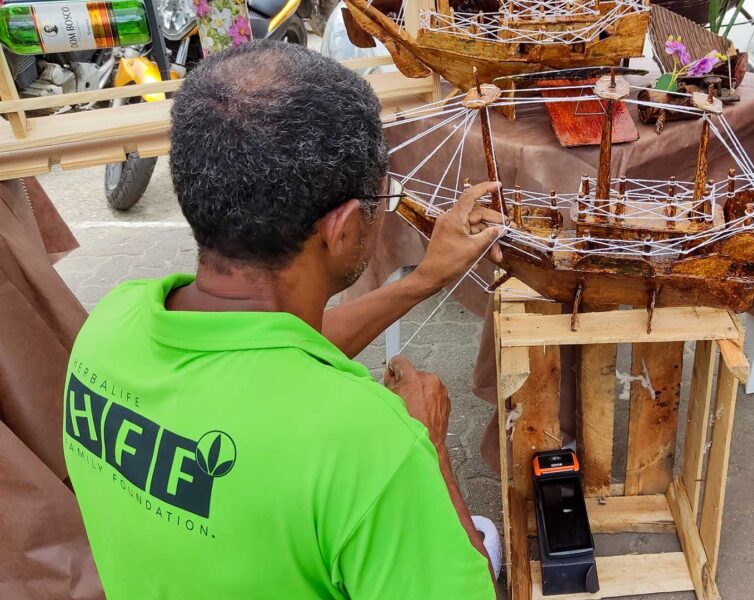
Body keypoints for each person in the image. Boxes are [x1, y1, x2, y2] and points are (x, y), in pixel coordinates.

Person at [62, 40, 503, 599]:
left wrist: (422, 279)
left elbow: (278, 355)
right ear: (340, 227)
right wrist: (430, 447)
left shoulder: (109, 325)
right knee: (482, 542)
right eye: (381, 199)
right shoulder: (370, 446)